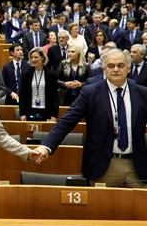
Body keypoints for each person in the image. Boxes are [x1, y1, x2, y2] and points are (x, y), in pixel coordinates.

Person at [35, 49, 147, 188]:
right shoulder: (90, 92)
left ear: (128, 68)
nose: (116, 69)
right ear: (103, 68)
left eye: (121, 65)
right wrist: (47, 146)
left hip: (137, 166)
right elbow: (66, 122)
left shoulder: (142, 93)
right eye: (111, 66)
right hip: (104, 166)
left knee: (140, 209)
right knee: (102, 208)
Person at [19, 47, 59, 121]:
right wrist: (22, 113)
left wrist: (54, 114)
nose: (33, 60)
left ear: (43, 58)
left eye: (36, 57)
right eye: (31, 57)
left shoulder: (51, 74)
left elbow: (55, 96)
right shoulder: (26, 74)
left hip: (46, 110)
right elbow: (22, 95)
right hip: (30, 109)